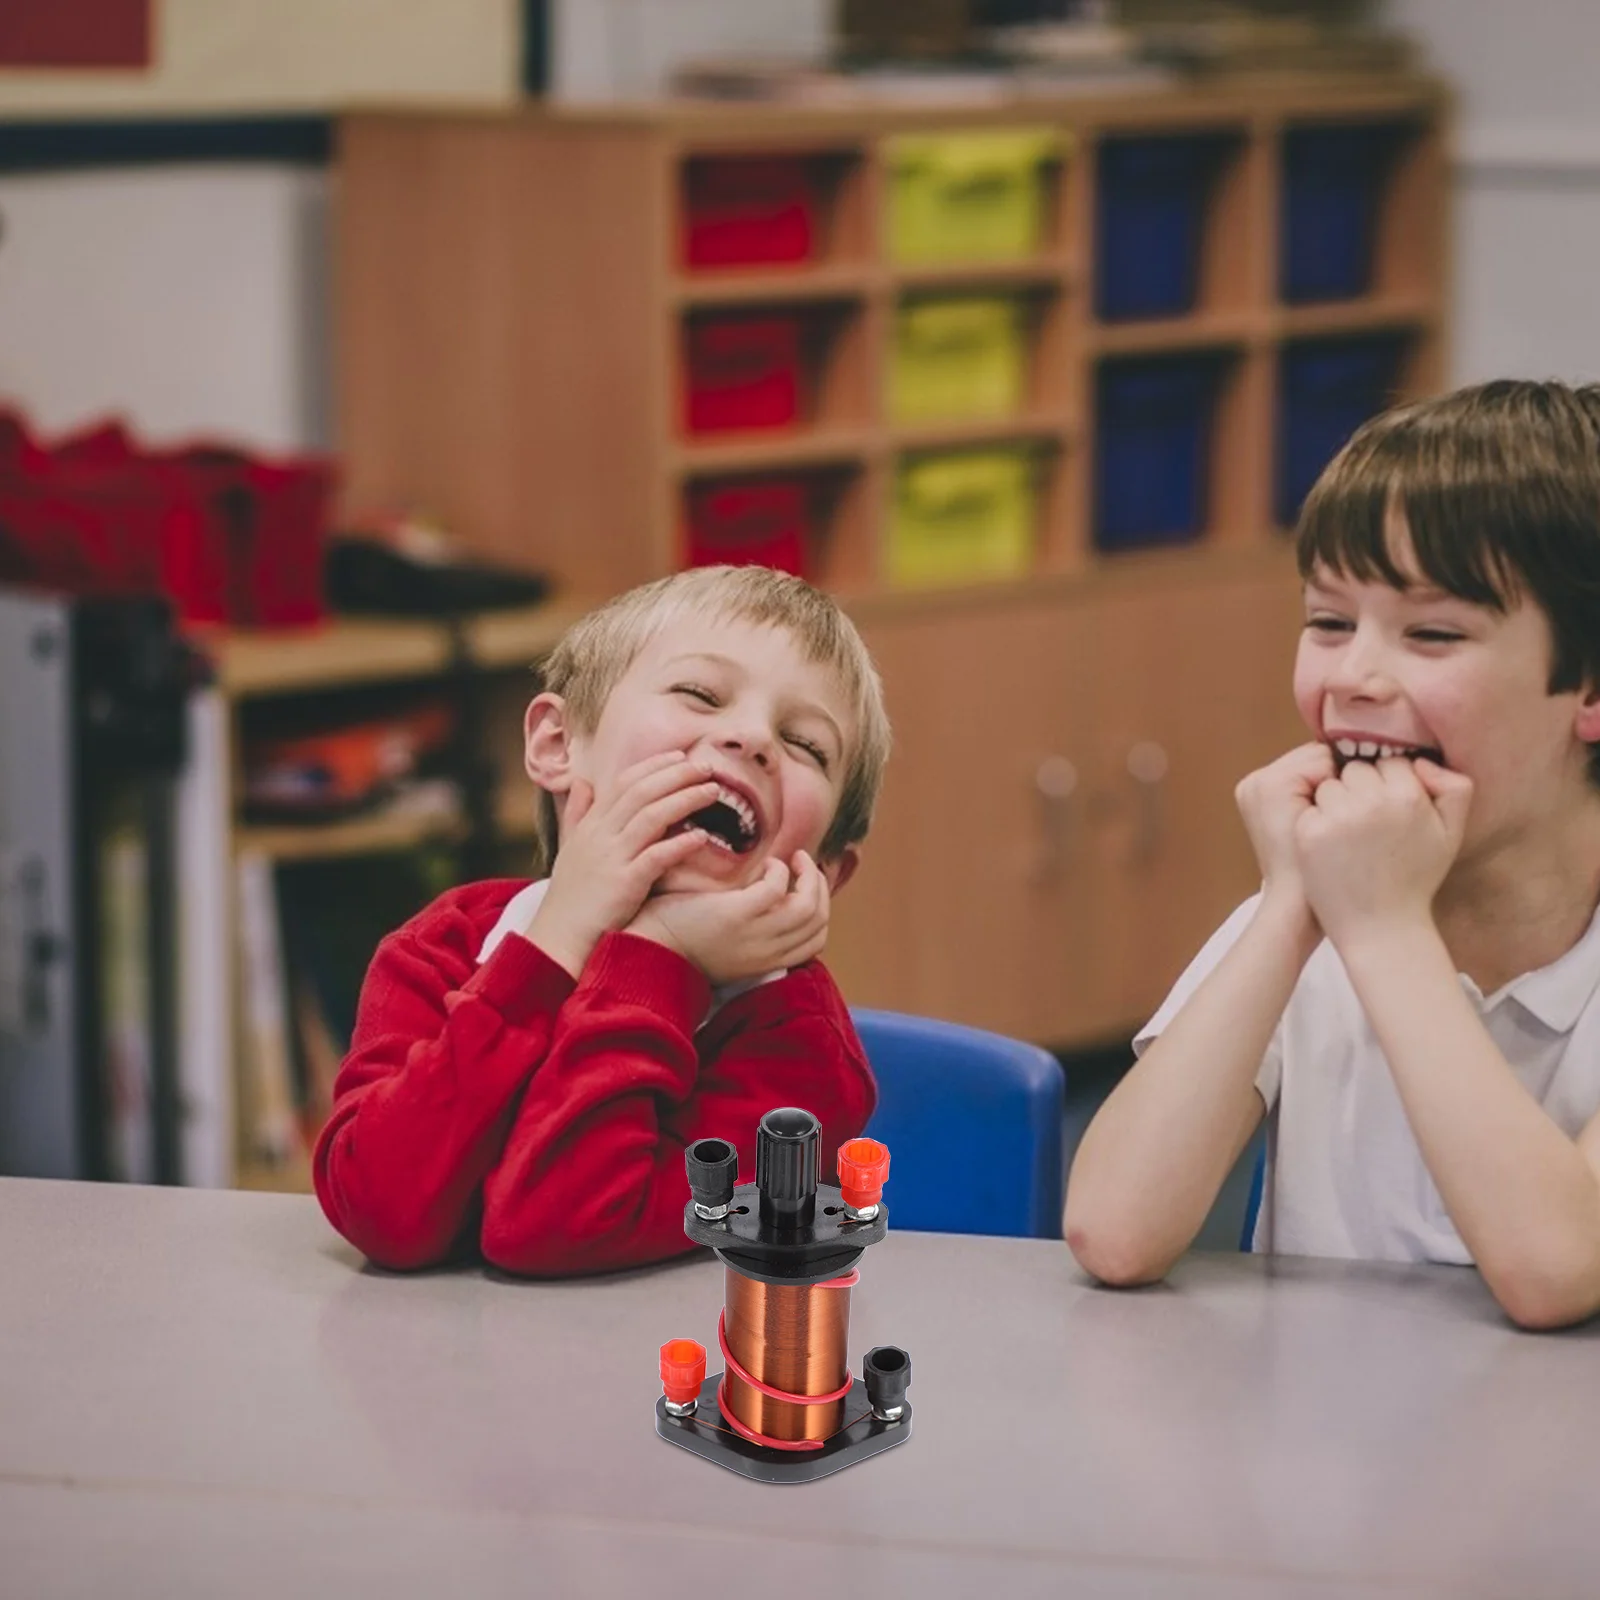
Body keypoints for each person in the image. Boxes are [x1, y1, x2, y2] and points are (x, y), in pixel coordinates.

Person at [1064, 380, 1600, 1330]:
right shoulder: (1325, 902)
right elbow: (1114, 1230)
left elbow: (1555, 1271)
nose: (1353, 678)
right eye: (1328, 621)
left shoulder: (1373, 907)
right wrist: (1288, 909)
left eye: (1433, 633)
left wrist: (1387, 931)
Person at [314, 564, 890, 1275]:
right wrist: (554, 943)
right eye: (700, 694)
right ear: (558, 745)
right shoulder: (446, 946)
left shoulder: (803, 1057)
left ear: (827, 870)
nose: (751, 738)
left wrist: (657, 957)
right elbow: (380, 1208)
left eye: (806, 745)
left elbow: (555, 1225)